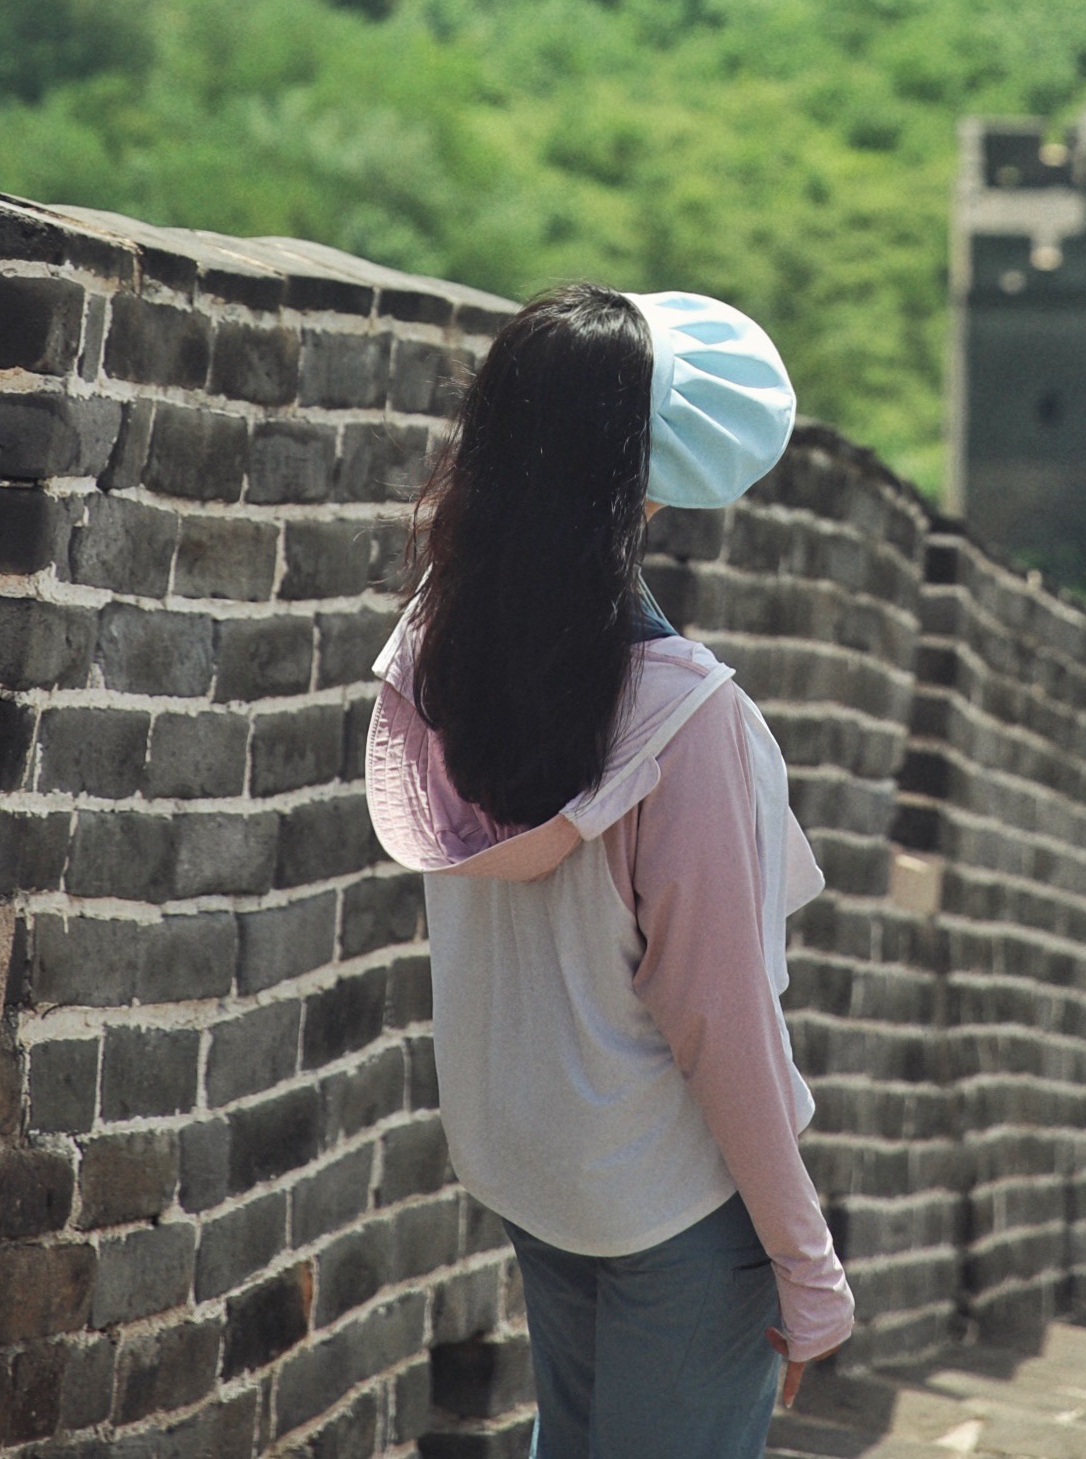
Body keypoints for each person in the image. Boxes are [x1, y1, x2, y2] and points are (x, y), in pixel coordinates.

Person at [363, 283, 854, 1459]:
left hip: (538, 1168)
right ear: (638, 482)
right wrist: (807, 1262)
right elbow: (721, 1020)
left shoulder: (434, 654)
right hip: (675, 1199)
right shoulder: (683, 722)